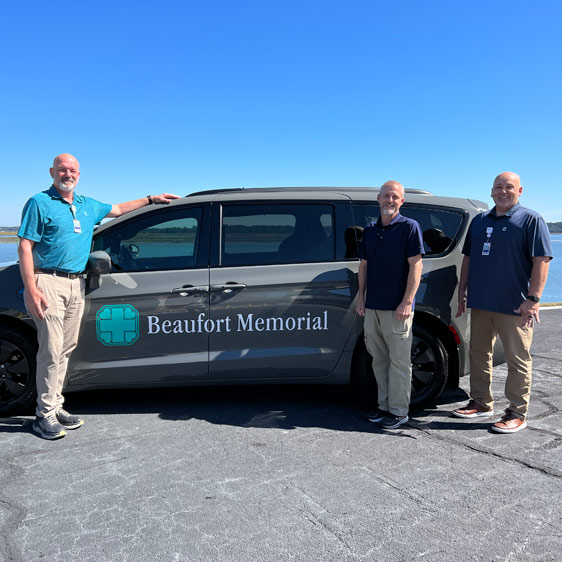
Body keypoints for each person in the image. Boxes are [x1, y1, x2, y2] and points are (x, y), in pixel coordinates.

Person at [18, 153, 180, 440]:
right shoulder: (39, 203)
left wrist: (150, 199)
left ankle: (55, 406)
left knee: (65, 349)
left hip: (75, 284)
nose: (68, 174)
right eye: (62, 170)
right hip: (48, 282)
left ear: (79, 175)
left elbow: (118, 209)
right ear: (52, 172)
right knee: (51, 350)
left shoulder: (86, 205)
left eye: (73, 171)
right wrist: (31, 288)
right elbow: (25, 246)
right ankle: (43, 416)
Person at [453, 172, 552, 433]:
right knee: (479, 352)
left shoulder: (531, 219)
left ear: (520, 191)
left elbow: (542, 261)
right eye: (498, 187)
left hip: (515, 305)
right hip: (482, 301)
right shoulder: (480, 220)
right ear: (491, 191)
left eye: (509, 187)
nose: (503, 191)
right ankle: (481, 402)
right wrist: (462, 291)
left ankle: (517, 412)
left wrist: (533, 299)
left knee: (517, 358)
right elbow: (468, 258)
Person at [356, 181, 424, 429]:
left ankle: (398, 412)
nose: (390, 200)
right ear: (378, 198)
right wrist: (361, 298)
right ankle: (383, 407)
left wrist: (407, 302)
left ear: (401, 201)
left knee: (399, 363)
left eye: (395, 197)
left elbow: (416, 265)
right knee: (379, 360)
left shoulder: (409, 227)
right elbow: (363, 266)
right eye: (386, 196)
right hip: (372, 307)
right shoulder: (371, 230)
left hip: (398, 309)